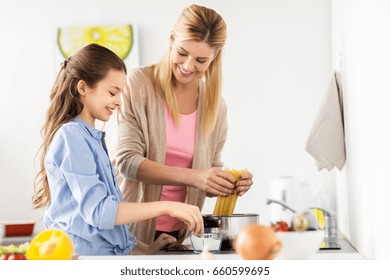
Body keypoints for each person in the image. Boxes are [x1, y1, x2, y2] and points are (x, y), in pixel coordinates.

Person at [32, 43, 204, 256]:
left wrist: (145, 248)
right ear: (83, 88)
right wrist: (168, 206)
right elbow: (99, 212)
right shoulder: (72, 137)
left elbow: (106, 228)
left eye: (121, 93)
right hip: (86, 263)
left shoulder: (90, 138)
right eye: (113, 92)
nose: (119, 101)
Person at [115, 4, 253, 252]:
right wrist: (198, 177)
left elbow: (209, 173)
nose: (189, 66)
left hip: (182, 236)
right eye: (182, 52)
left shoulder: (216, 106)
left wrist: (227, 183)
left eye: (201, 60)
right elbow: (127, 162)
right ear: (171, 40)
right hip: (131, 234)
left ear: (215, 57)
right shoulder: (137, 85)